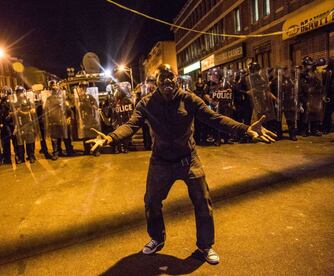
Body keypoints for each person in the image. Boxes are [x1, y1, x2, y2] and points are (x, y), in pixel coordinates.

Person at [87, 64, 276, 265]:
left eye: (171, 76)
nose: (167, 81)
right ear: (155, 81)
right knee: (151, 202)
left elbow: (215, 118)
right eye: (163, 77)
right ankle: (157, 238)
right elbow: (131, 125)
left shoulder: (189, 99)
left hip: (188, 159)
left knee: (203, 201)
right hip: (160, 162)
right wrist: (109, 138)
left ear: (177, 79)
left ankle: (205, 245)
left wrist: (245, 130)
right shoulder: (146, 103)